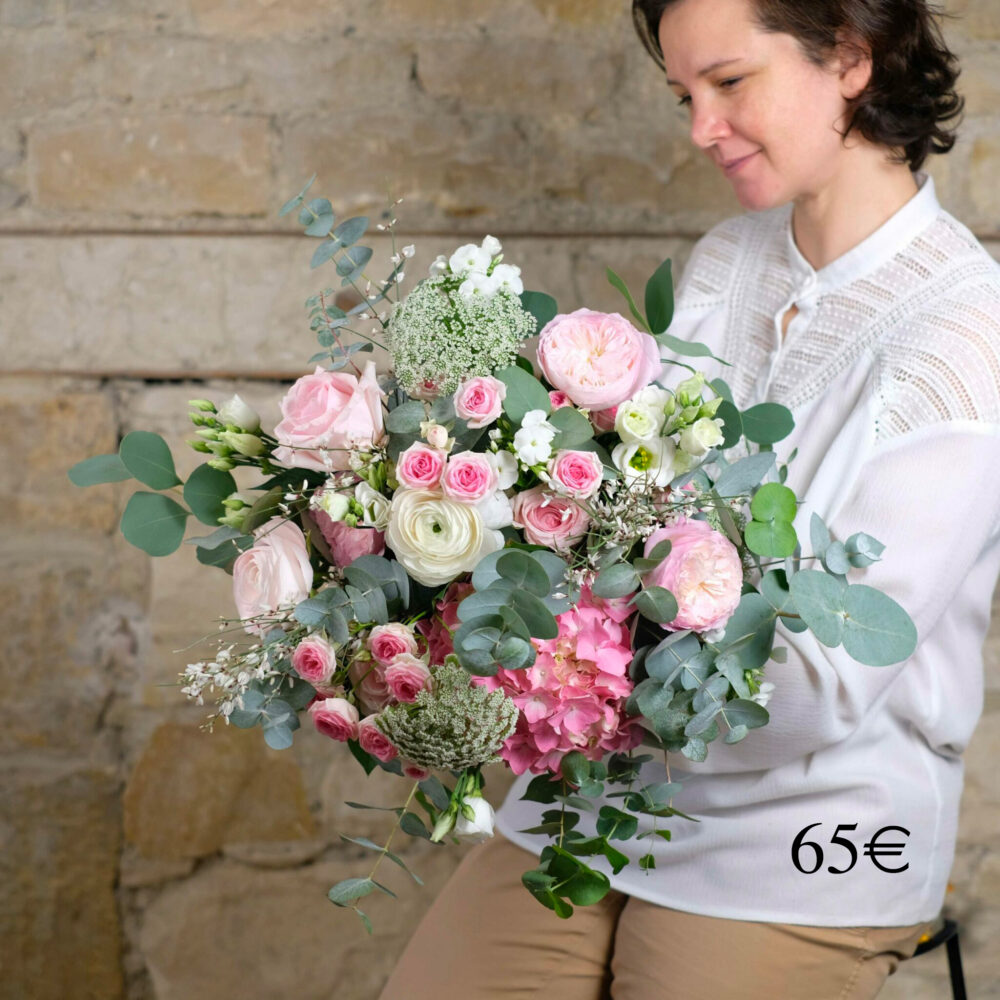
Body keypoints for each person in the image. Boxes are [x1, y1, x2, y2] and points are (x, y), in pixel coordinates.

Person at [378, 0, 1000, 996]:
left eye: (729, 83)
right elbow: (601, 515)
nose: (698, 129)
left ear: (847, 55)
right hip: (592, 798)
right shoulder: (725, 263)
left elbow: (810, 688)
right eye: (683, 94)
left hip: (812, 839)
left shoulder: (964, 338)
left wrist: (558, 659)